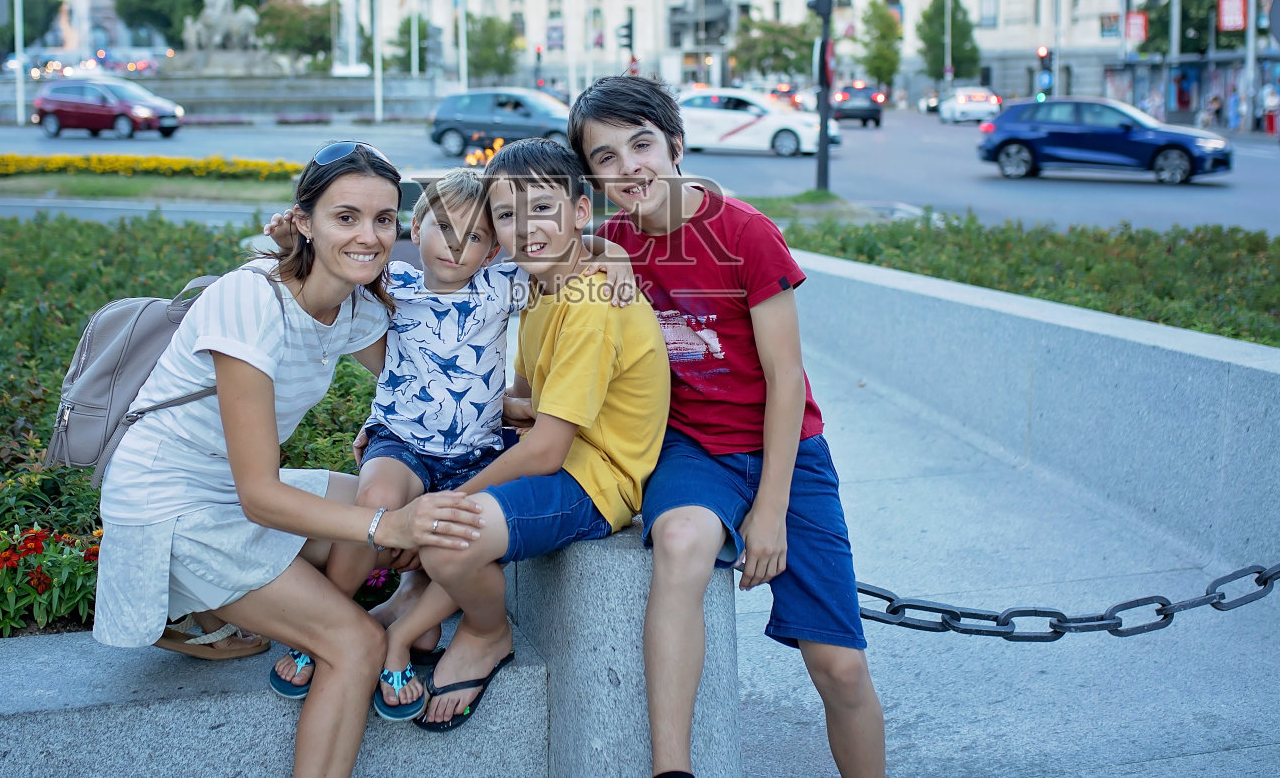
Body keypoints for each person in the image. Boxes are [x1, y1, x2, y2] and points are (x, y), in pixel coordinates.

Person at [92, 141, 486, 778]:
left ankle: (253, 614)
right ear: (303, 220)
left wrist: (528, 411)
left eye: (384, 219)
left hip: (228, 486)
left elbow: (425, 381)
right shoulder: (249, 302)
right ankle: (268, 619)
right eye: (346, 217)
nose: (370, 236)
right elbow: (259, 495)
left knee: (371, 498)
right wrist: (393, 528)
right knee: (355, 643)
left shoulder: (354, 305)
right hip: (173, 501)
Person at [568, 75, 886, 778]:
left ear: (676, 145)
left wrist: (769, 509)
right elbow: (509, 254)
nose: (629, 168)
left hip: (786, 450)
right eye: (607, 158)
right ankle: (672, 768)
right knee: (680, 543)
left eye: (641, 144)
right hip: (692, 447)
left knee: (839, 666)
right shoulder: (607, 243)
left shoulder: (745, 232)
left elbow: (785, 378)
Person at [259, 169, 638, 713]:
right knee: (375, 504)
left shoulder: (501, 284)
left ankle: (419, 623)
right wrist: (292, 241)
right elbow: (332, 266)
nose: (458, 245)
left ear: (491, 251)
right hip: (401, 441)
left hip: (473, 454)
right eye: (443, 227)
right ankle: (325, 627)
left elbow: (566, 246)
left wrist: (616, 256)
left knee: (457, 533)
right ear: (415, 226)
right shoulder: (392, 285)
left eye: (478, 236)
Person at [379, 137, 670, 731]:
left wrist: (449, 502)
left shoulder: (590, 303)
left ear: (580, 212)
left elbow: (545, 451)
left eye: (542, 208)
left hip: (595, 479)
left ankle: (488, 632)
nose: (524, 228)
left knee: (443, 531)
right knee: (420, 470)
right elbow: (534, 403)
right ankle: (417, 607)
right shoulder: (544, 281)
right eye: (507, 215)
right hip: (558, 450)